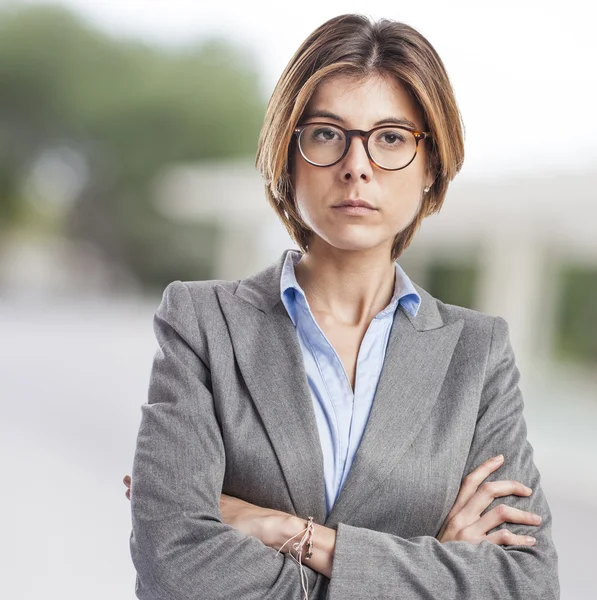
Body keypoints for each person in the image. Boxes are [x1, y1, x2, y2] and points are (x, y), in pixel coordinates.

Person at [125, 13, 559, 600]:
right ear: (288, 155)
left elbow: (524, 584)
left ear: (431, 167)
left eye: (391, 138)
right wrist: (437, 566)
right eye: (327, 133)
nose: (357, 166)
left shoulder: (476, 353)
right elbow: (174, 570)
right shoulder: (203, 324)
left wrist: (292, 533)